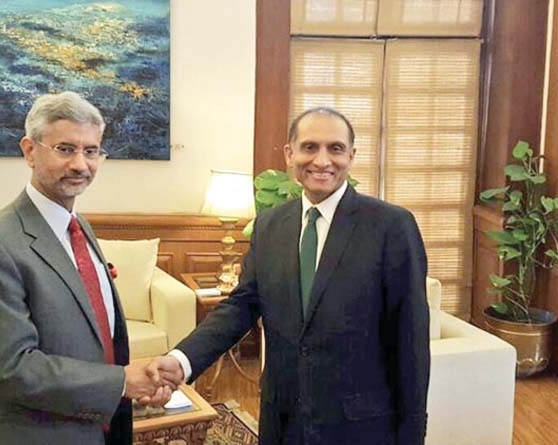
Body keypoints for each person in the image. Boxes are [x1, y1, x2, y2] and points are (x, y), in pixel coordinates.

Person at [151, 107, 430, 444]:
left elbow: (411, 339)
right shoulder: (270, 226)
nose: (322, 160)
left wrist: (412, 434)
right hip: (283, 421)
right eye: (310, 147)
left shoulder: (391, 226)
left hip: (360, 426)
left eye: (336, 148)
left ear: (352, 156)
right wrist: (181, 361)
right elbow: (241, 306)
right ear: (290, 154)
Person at [0, 91, 173, 445]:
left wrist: (131, 382)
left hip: (90, 424)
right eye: (65, 149)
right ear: (29, 150)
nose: (80, 164)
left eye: (91, 151)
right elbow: (12, 369)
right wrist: (122, 381)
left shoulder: (78, 226)